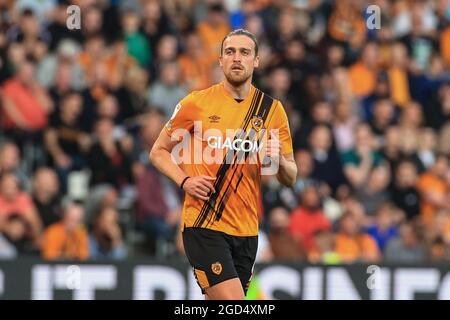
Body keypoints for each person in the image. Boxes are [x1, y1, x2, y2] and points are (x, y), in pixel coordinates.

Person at [150, 29, 297, 300]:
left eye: (244, 52)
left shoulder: (271, 110)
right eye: (230, 52)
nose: (236, 58)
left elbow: (290, 176)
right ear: (220, 60)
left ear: (256, 61)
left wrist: (277, 160)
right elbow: (158, 151)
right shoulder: (196, 103)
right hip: (203, 224)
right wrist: (184, 181)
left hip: (246, 230)